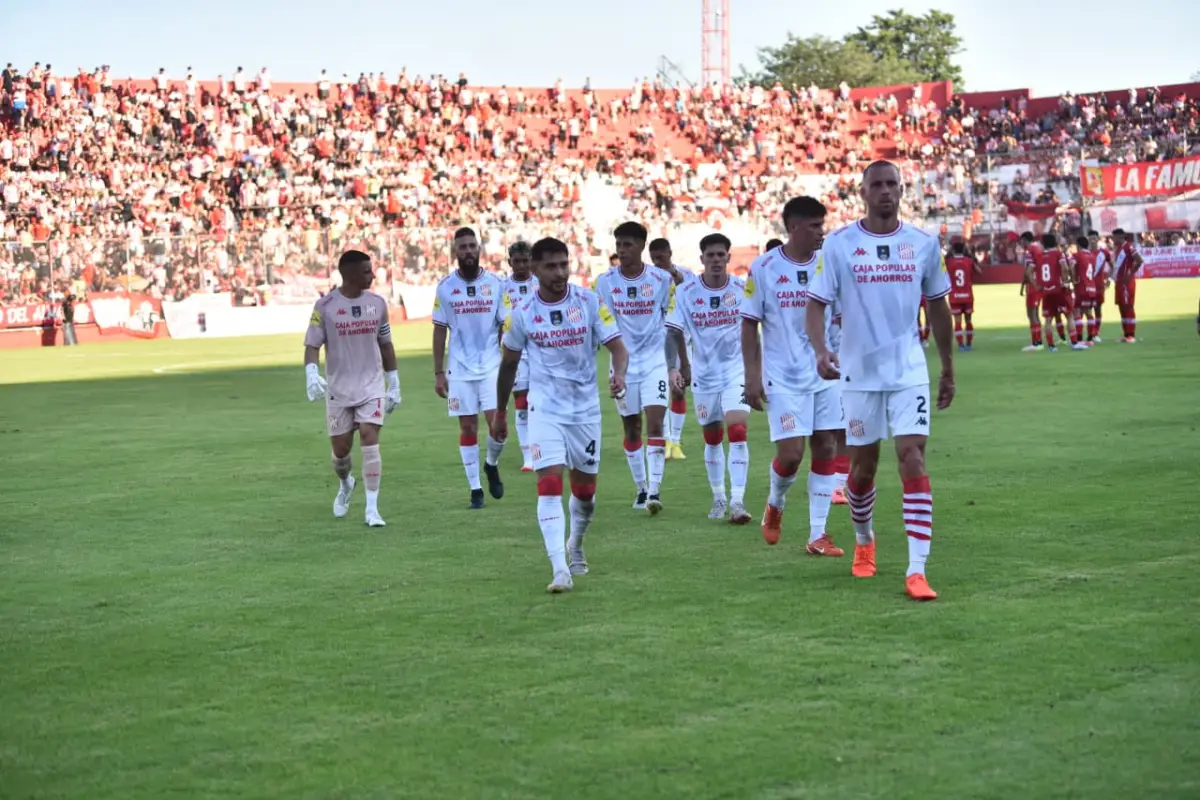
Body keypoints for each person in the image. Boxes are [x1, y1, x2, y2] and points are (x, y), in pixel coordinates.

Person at [805, 160, 955, 601]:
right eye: (877, 185)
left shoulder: (924, 244)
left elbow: (939, 308)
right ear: (863, 192)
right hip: (858, 374)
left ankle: (916, 570)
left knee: (912, 457)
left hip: (909, 371)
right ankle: (865, 540)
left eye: (892, 184)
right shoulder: (838, 245)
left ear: (902, 190)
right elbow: (815, 306)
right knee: (862, 469)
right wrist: (820, 349)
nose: (886, 191)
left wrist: (947, 366)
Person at [493, 237, 629, 593]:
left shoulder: (588, 301)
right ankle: (558, 568)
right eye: (551, 266)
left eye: (564, 265)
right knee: (549, 484)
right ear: (534, 269)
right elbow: (508, 366)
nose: (559, 272)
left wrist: (619, 373)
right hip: (545, 411)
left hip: (584, 412)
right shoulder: (522, 313)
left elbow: (617, 346)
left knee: (585, 495)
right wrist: (499, 413)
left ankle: (576, 545)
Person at [741, 196, 845, 557]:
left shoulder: (830, 264)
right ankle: (775, 503)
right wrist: (751, 376)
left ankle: (818, 534)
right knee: (791, 454)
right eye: (815, 225)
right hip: (783, 378)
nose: (821, 232)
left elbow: (842, 315)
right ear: (794, 227)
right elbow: (749, 324)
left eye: (822, 224)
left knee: (826, 446)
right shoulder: (764, 268)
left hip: (826, 374)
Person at [304, 250, 401, 527]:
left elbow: (386, 344)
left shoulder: (378, 304)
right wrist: (311, 373)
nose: (373, 275)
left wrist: (393, 382)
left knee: (370, 437)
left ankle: (372, 510)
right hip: (339, 388)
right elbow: (312, 345)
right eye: (367, 271)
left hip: (372, 384)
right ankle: (346, 483)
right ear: (350, 275)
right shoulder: (325, 306)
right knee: (341, 452)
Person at [665, 233, 753, 524]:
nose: (716, 260)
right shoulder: (687, 292)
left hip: (735, 371)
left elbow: (755, 331)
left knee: (737, 430)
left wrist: (757, 372)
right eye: (710, 255)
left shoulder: (742, 290)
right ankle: (719, 497)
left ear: (728, 257)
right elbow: (674, 331)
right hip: (703, 375)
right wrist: (677, 367)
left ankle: (738, 502)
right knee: (712, 437)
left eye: (721, 255)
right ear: (701, 259)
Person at [595, 221, 675, 514]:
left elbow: (671, 319)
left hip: (654, 362)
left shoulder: (660, 279)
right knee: (632, 428)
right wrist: (617, 369)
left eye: (628, 244)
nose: (622, 250)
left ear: (642, 245)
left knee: (655, 422)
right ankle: (640, 488)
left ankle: (654, 491)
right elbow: (605, 325)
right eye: (618, 245)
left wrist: (674, 364)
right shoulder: (605, 282)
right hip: (623, 366)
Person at [432, 227, 509, 509]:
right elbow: (440, 329)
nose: (467, 251)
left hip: (491, 367)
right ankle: (475, 489)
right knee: (467, 426)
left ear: (479, 250)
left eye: (471, 246)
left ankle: (491, 464)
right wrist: (439, 372)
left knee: (498, 428)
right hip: (460, 369)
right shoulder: (445, 287)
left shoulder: (496, 284)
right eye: (462, 247)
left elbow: (506, 324)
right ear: (455, 252)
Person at [649, 237, 696, 461]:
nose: (658, 262)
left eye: (662, 257)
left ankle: (675, 441)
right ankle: (667, 439)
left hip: (680, 340)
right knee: (660, 393)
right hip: (655, 343)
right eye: (654, 258)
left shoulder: (684, 274)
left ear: (670, 253)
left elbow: (693, 296)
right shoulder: (648, 278)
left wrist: (672, 273)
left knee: (678, 389)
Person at [502, 241, 539, 471]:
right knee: (522, 402)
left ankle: (547, 446)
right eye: (518, 261)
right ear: (510, 262)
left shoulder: (540, 283)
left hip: (541, 349)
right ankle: (528, 456)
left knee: (544, 401)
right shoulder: (502, 287)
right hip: (516, 351)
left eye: (526, 260)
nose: (522, 265)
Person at [1036, 233, 1086, 351]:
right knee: (1069, 315)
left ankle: (1051, 346)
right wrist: (1065, 280)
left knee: (1048, 319)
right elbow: (1065, 268)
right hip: (1059, 289)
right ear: (1055, 243)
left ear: (1043, 244)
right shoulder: (1058, 253)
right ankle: (1074, 343)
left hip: (1046, 291)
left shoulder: (1040, 256)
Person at [945, 241, 982, 351]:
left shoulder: (948, 262)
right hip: (967, 296)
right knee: (968, 321)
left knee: (957, 321)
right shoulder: (969, 261)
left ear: (953, 250)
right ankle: (969, 344)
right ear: (964, 250)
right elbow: (980, 272)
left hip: (954, 296)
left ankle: (961, 345)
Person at [1112, 228, 1143, 343]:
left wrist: (1130, 273)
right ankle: (1126, 334)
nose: (1112, 239)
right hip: (1119, 282)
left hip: (1126, 282)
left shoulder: (1129, 247)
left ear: (1121, 237)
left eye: (1114, 237)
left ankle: (1131, 335)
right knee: (1121, 306)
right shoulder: (1118, 249)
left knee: (1128, 306)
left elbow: (1139, 260)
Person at [1019, 232, 1044, 351]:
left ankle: (1036, 343)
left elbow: (1028, 270)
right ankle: (1038, 341)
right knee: (1035, 314)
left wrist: (1031, 284)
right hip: (1037, 284)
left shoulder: (1030, 250)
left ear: (1024, 240)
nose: (1020, 244)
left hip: (1033, 286)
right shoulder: (1038, 248)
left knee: (1031, 314)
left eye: (1021, 241)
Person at [1071, 236, 1099, 345]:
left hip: (1082, 287)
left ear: (1078, 245)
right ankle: (1090, 338)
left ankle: (1079, 339)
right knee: (1088, 312)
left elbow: (1072, 266)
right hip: (1092, 287)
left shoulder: (1077, 255)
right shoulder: (1092, 256)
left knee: (1077, 312)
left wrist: (1074, 280)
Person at [1088, 230, 1113, 342]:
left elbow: (1113, 265)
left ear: (1098, 239)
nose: (1093, 240)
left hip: (1099, 286)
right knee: (1087, 310)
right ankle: (1089, 333)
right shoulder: (1085, 252)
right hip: (1087, 286)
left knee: (1097, 309)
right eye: (1090, 238)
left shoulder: (1104, 253)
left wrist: (1109, 279)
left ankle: (1096, 333)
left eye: (1094, 238)